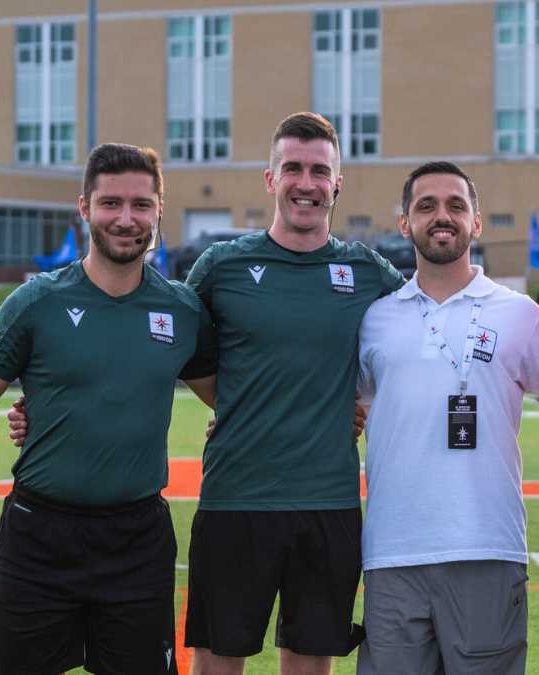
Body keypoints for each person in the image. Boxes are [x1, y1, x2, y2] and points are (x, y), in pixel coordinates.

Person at [0, 142, 217, 675]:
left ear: (158, 211)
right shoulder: (36, 302)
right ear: (84, 208)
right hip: (39, 539)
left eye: (141, 205)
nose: (126, 219)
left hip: (137, 541)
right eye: (110, 204)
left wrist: (336, 410)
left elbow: (232, 398)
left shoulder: (182, 309)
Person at [182, 112, 404, 675]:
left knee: (309, 664)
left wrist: (358, 404)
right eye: (293, 168)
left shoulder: (367, 271)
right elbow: (157, 341)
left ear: (337, 184)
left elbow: (424, 335)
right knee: (216, 663)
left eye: (319, 171)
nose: (306, 183)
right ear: (270, 178)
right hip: (235, 499)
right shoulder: (222, 266)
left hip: (327, 503)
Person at [355, 161, 539, 674]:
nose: (441, 216)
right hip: (391, 553)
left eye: (456, 205)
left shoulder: (520, 315)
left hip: (487, 549)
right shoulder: (374, 318)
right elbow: (343, 410)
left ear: (476, 221)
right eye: (425, 206)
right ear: (404, 223)